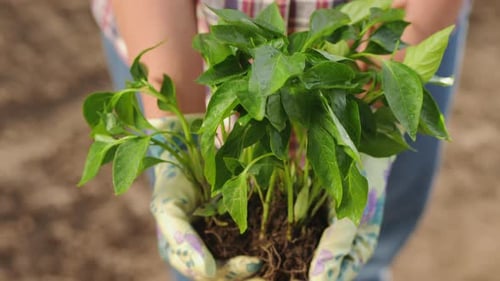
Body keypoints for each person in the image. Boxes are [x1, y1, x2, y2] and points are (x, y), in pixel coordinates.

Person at [90, 0, 471, 280]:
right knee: (204, 246)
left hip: (396, 34)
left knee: (361, 247)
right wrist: (178, 123)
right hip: (176, 33)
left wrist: (372, 106)